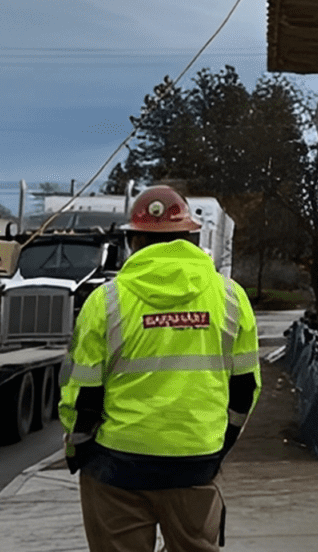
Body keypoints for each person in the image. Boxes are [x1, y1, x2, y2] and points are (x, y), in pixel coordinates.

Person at [60, 186, 261, 552]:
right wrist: (219, 447)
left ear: (134, 240)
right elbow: (245, 389)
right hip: (195, 462)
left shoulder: (105, 301)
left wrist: (79, 450)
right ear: (191, 237)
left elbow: (82, 393)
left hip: (117, 464)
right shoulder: (231, 297)